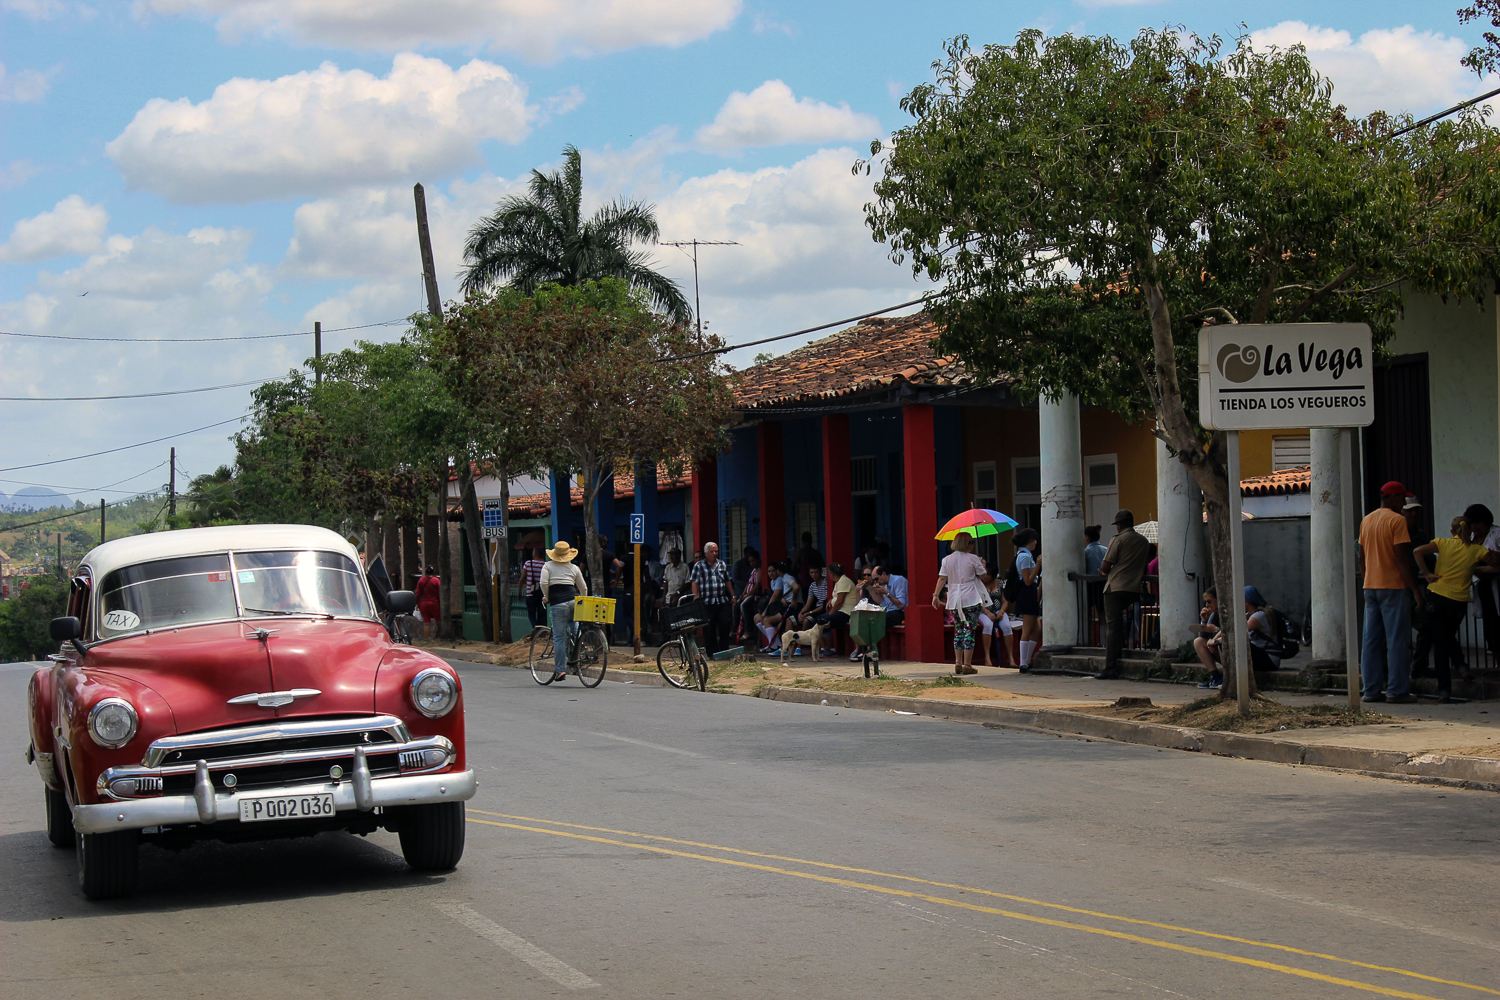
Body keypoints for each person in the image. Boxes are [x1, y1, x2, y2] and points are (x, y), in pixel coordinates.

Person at [1414, 515, 1500, 702]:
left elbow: (1417, 551)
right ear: (1471, 532)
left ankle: (1444, 690)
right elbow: (1496, 565)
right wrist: (1476, 570)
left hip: (1437, 596)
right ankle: (1462, 667)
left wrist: (1427, 574)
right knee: (1447, 635)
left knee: (1440, 643)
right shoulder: (1477, 550)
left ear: (1452, 532)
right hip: (1458, 601)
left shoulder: (1443, 543)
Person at [1358, 481, 1424, 704]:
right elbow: (1401, 558)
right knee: (1396, 640)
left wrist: (1368, 578)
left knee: (1371, 641)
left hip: (1371, 586)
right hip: (1394, 586)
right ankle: (1397, 690)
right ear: (1394, 498)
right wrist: (1415, 590)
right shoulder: (1397, 521)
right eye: (1402, 498)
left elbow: (1361, 557)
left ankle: (1370, 690)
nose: (1403, 502)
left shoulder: (1366, 520)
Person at [1096, 510, 1153, 679]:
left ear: (1119, 525)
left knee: (1113, 628)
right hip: (1135, 587)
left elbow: (1106, 566)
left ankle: (1110, 667)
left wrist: (1105, 571)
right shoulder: (1143, 541)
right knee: (1134, 624)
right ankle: (1129, 652)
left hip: (1116, 587)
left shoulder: (1117, 540)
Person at [933, 531, 988, 675]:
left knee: (959, 629)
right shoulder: (973, 558)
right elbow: (983, 576)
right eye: (971, 542)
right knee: (969, 629)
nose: (972, 545)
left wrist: (935, 595)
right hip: (970, 597)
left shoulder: (947, 560)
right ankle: (967, 663)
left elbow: (942, 578)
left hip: (954, 599)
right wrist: (982, 564)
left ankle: (958, 661)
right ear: (967, 544)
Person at [538, 541, 588, 683]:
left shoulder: (548, 566)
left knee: (559, 638)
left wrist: (547, 597)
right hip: (573, 602)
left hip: (557, 604)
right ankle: (578, 653)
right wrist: (583, 601)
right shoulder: (574, 568)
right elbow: (583, 588)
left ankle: (560, 670)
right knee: (574, 628)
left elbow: (543, 583)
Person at [1404, 499, 1438, 675]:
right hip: (1399, 586)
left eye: (1416, 510)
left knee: (1426, 626)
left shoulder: (1421, 536)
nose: (1414, 514)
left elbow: (1430, 559)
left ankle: (1418, 665)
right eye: (1410, 511)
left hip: (1418, 586)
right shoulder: (1395, 533)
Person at [690, 541, 737, 655]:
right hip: (707, 602)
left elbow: (727, 580)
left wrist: (733, 595)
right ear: (706, 553)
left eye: (716, 551)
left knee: (725, 625)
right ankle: (712, 652)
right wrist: (696, 597)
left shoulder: (722, 564)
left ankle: (724, 651)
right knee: (709, 629)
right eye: (711, 551)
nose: (714, 554)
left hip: (721, 600)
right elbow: (695, 582)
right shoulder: (699, 566)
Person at [1010, 528, 1042, 670]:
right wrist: (1038, 565)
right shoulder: (1025, 557)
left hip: (1029, 593)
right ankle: (1023, 662)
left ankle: (1028, 659)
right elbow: (1028, 580)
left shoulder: (1023, 555)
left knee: (1036, 629)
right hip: (1027, 592)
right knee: (1028, 628)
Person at [816, 562, 856, 658]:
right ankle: (824, 648)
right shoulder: (840, 582)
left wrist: (831, 613)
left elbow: (840, 601)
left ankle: (831, 649)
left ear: (832, 573)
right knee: (818, 620)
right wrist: (831, 600)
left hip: (847, 612)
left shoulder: (844, 581)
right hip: (841, 611)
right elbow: (837, 598)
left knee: (824, 621)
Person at [1192, 587, 1223, 688]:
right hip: (1217, 646)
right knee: (1198, 642)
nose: (1207, 605)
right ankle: (1216, 675)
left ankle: (1227, 677)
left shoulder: (1228, 612)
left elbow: (1232, 633)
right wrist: (1204, 621)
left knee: (1220, 642)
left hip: (1228, 646)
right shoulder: (1214, 614)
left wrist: (1216, 631)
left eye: (1209, 601)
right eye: (1206, 602)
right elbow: (1203, 637)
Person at [521, 547, 547, 630]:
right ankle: (540, 630)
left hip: (530, 593)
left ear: (535, 554)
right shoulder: (545, 565)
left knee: (531, 614)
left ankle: (535, 628)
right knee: (541, 614)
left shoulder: (528, 564)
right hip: (542, 593)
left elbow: (522, 579)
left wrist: (519, 591)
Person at [413, 564, 442, 639]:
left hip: (423, 604)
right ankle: (437, 636)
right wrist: (440, 603)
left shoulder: (421, 580)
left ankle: (427, 638)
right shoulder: (436, 580)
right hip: (434, 603)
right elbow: (439, 593)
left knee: (426, 622)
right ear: (434, 571)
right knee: (438, 621)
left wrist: (417, 603)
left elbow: (417, 593)